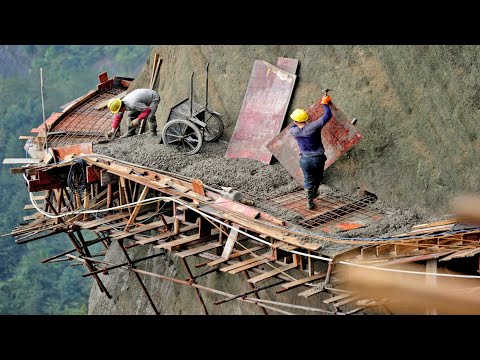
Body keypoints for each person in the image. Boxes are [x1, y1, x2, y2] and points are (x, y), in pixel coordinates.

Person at [289, 95, 333, 210]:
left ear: (294, 121)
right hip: (318, 158)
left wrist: (298, 119)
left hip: (304, 160)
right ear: (306, 119)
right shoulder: (313, 127)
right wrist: (325, 103)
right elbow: (328, 116)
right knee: (318, 177)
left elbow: (295, 124)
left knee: (308, 179)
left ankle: (310, 201)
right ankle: (314, 192)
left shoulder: (293, 131)